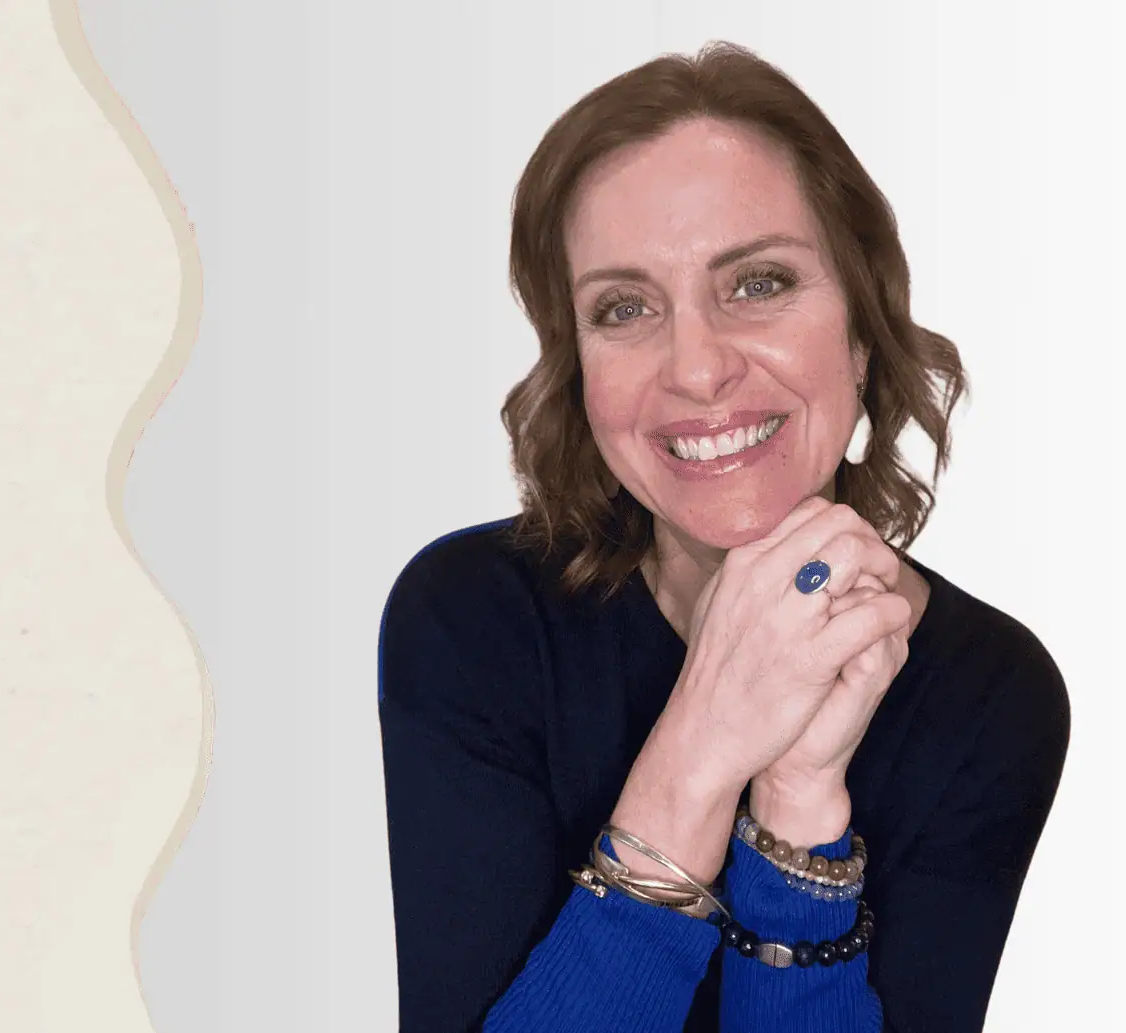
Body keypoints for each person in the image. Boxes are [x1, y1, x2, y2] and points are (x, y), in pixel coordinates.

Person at [378, 41, 1069, 1033]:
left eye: (756, 284)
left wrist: (797, 810)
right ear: (576, 366)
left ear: (861, 327)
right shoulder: (469, 620)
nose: (695, 369)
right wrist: (698, 751)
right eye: (623, 307)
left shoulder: (986, 694)